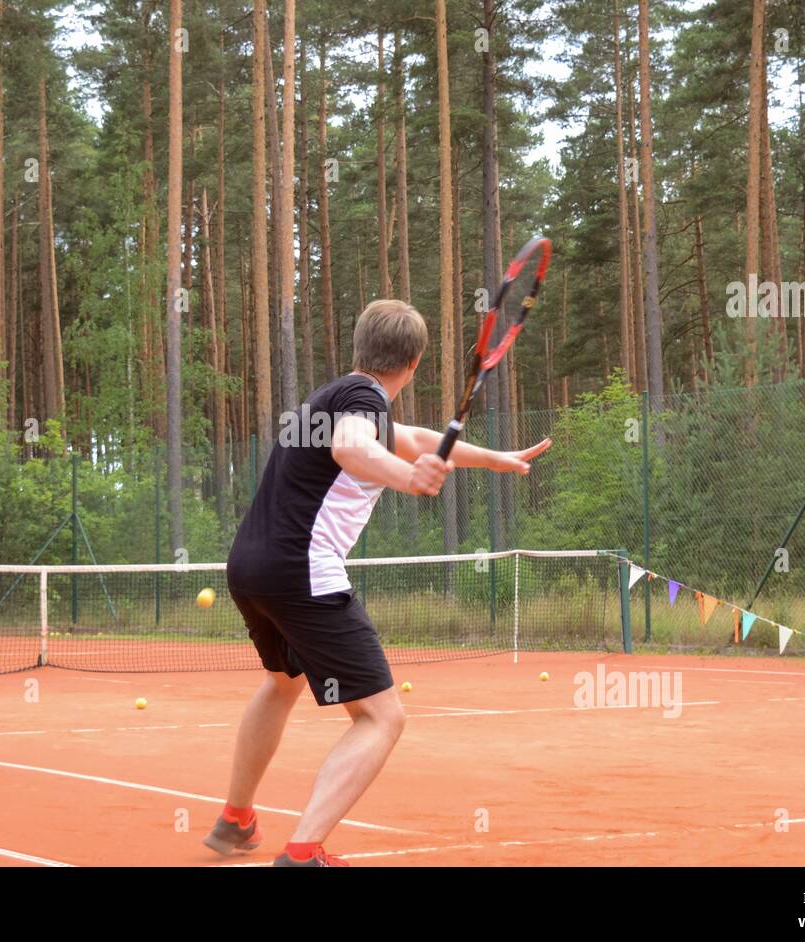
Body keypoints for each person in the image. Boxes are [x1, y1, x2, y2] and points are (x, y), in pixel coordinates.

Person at [204, 299, 551, 866]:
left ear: (360, 347)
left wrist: (493, 458)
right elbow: (354, 449)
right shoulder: (362, 403)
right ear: (412, 365)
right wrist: (407, 478)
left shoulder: (330, 397)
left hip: (251, 568)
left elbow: (412, 439)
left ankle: (236, 818)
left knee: (282, 684)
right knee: (382, 717)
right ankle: (303, 852)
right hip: (301, 571)